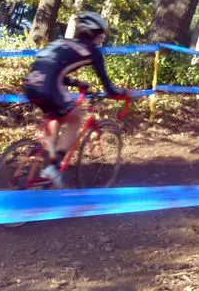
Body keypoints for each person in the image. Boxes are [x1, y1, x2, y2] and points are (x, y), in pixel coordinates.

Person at [22, 10, 128, 188]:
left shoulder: (60, 42)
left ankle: (47, 159)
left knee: (55, 116)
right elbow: (109, 88)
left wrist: (74, 82)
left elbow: (50, 68)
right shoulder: (92, 51)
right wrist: (125, 93)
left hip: (30, 85)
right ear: (95, 33)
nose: (102, 38)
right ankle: (53, 169)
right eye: (102, 34)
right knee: (75, 118)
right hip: (49, 88)